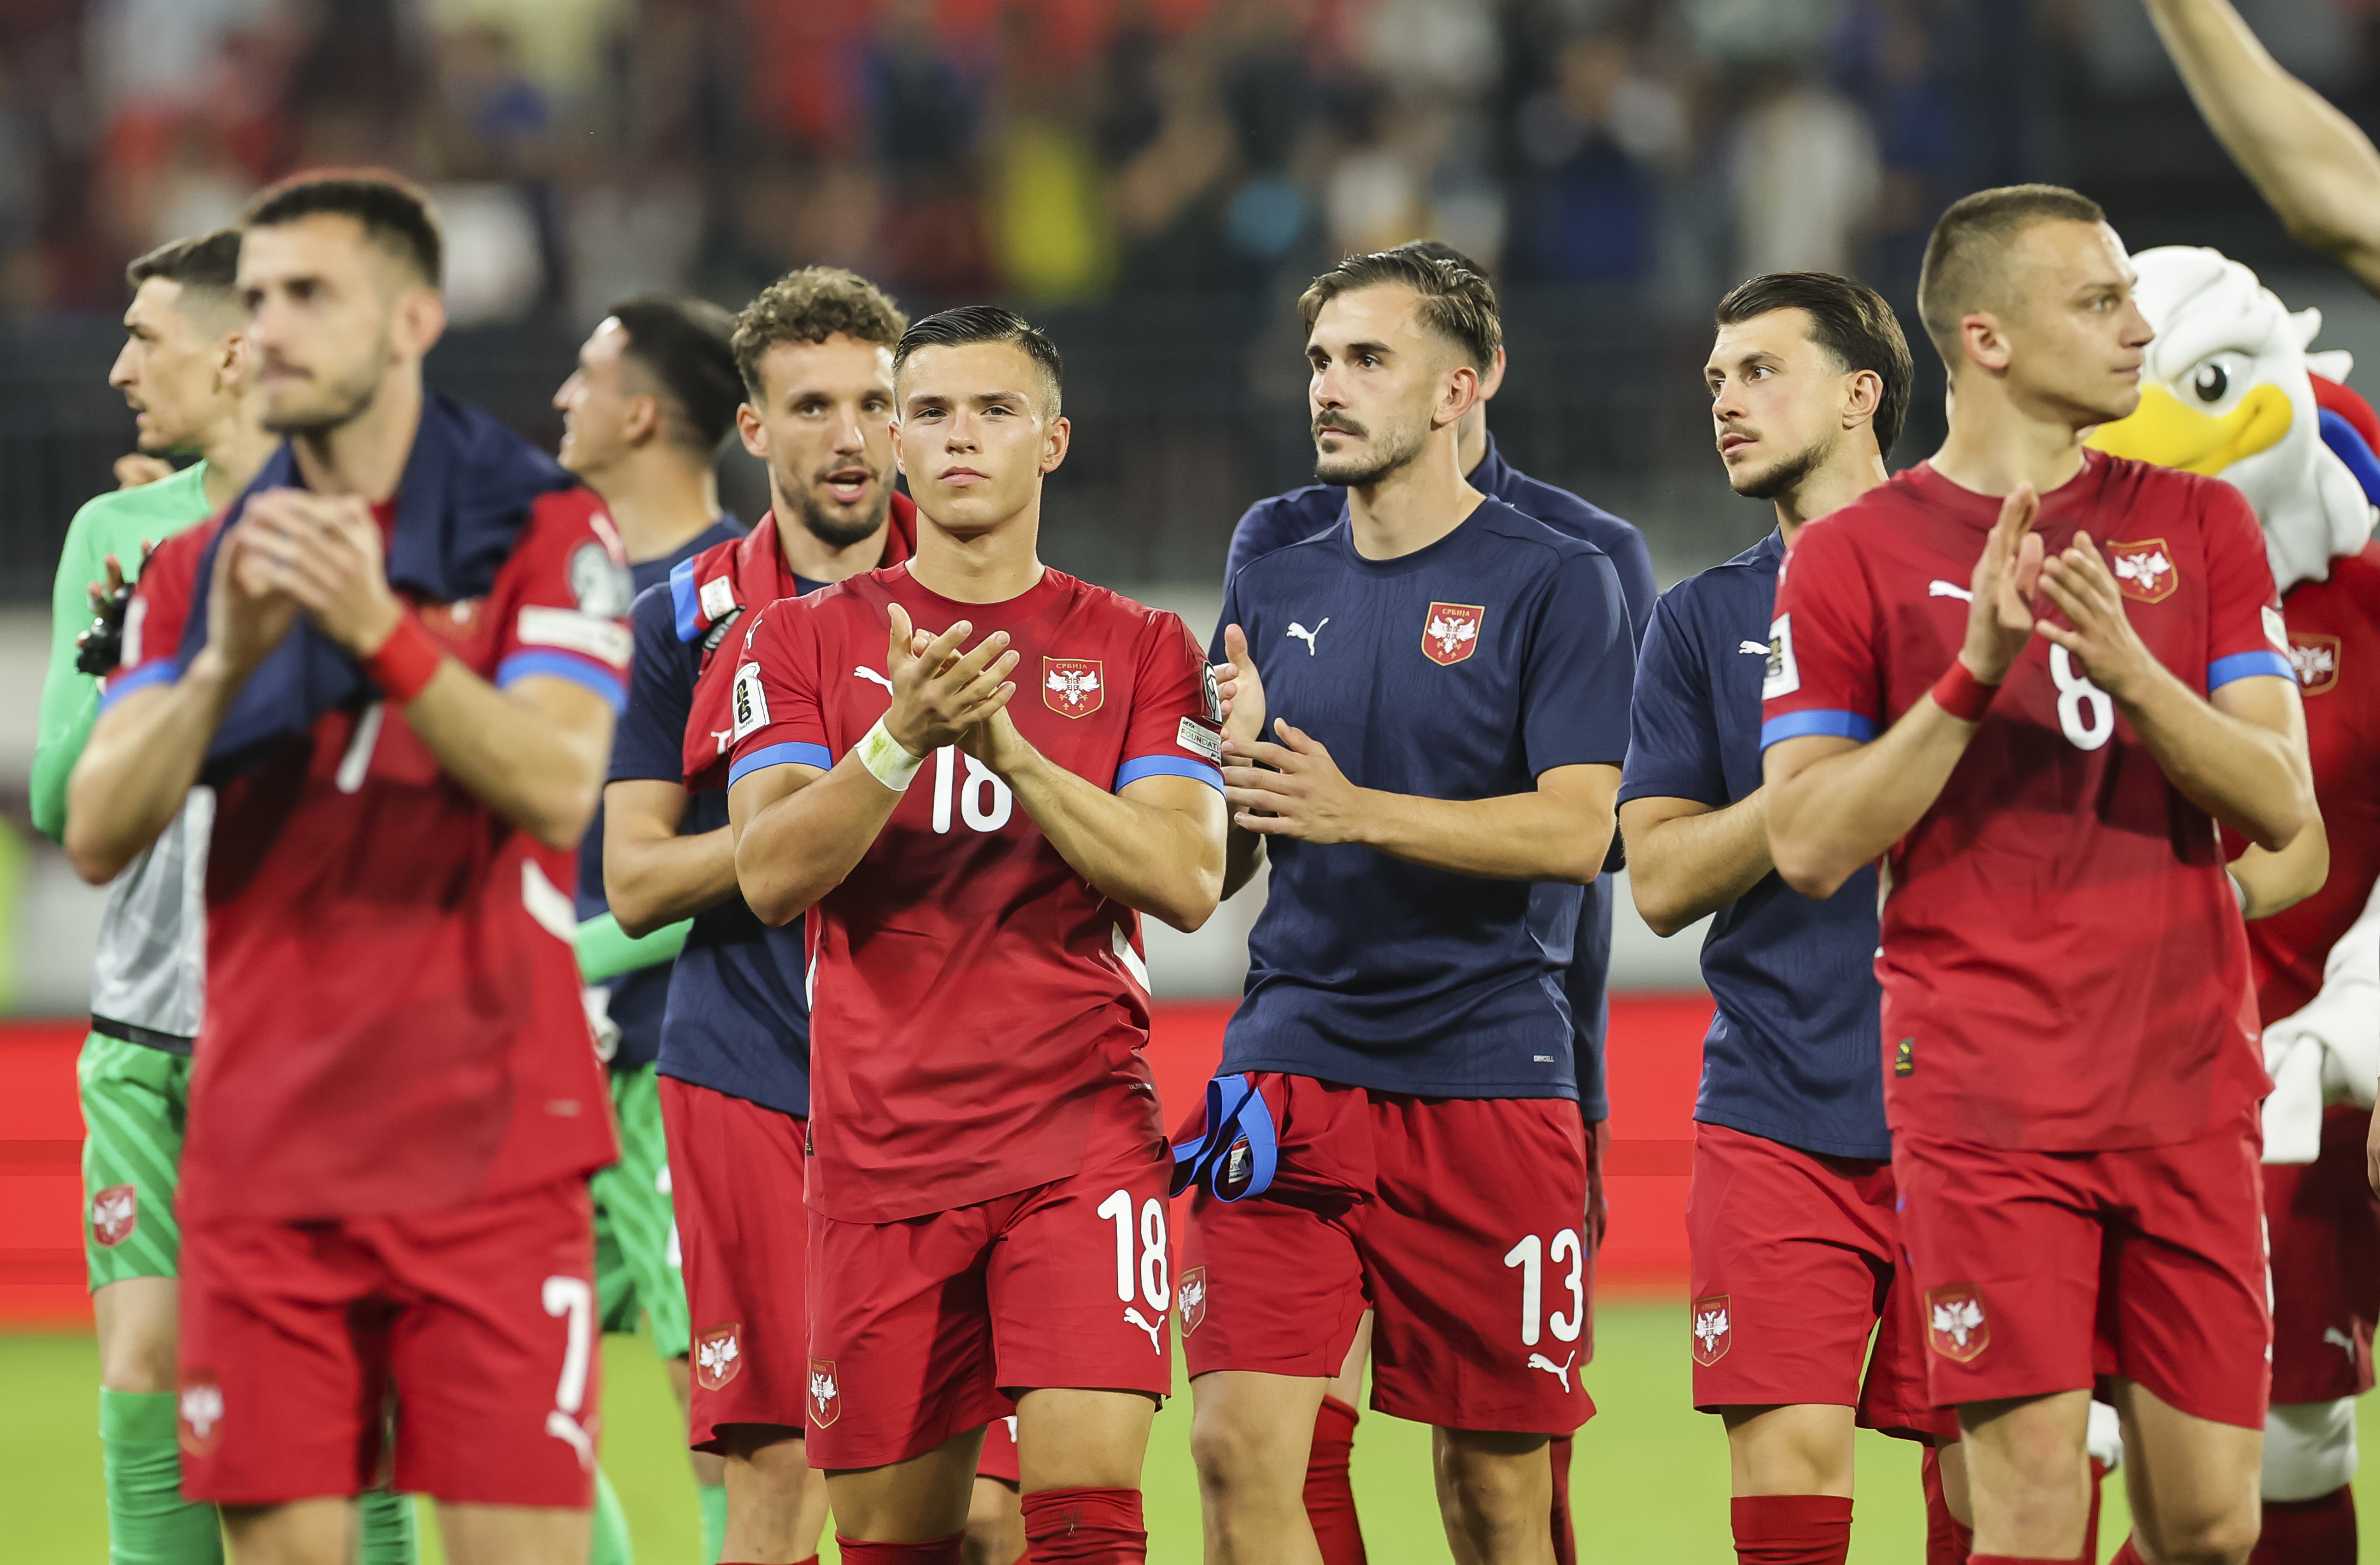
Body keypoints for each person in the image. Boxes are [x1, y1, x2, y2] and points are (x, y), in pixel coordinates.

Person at [63, 170, 630, 1565]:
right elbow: (94, 827)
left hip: (487, 1145)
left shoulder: (542, 529)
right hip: (267, 1158)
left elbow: (556, 781)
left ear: (413, 317)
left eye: (311, 294)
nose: (273, 329)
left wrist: (376, 628)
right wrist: (220, 665)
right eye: (257, 300)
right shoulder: (202, 569)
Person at [1762, 183, 2323, 1565]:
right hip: (1986, 1105)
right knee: (2024, 1512)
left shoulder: (2200, 528)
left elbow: (2278, 804)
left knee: (2210, 1522)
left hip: (2188, 1092)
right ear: (1988, 337)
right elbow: (1807, 841)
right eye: (2098, 302)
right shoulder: (1850, 561)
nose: (2137, 329)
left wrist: (2135, 675)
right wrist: (1972, 676)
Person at [723, 304, 1228, 1565]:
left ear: (1051, 442)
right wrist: (897, 739)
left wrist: (1010, 753)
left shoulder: (1145, 647)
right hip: (879, 1160)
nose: (961, 438)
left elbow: (1183, 876)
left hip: (1079, 1137)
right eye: (932, 411)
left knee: (1085, 1512)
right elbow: (769, 876)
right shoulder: (793, 640)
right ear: (896, 441)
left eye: (995, 411)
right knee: (893, 1541)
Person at [1186, 248, 1636, 1565]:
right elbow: (1222, 869)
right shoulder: (1270, 572)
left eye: (1366, 360)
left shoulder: (1561, 577)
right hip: (1282, 1063)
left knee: (1494, 1502)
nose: (1327, 387)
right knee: (1231, 1449)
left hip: (1488, 1076)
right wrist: (1234, 787)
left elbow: (1576, 830)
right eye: (1321, 359)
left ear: (1464, 385)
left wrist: (1355, 808)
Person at [34, 228, 412, 1565]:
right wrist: (139, 649)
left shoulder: (377, 532)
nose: (124, 365)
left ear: (238, 347)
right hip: (145, 1035)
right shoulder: (118, 533)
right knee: (143, 1379)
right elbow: (60, 801)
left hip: (322, 1050)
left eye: (147, 336)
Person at [2085, 17, 2380, 1555]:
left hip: (2329, 1031)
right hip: (2207, 1059)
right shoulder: (2110, 545)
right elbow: (2338, 201)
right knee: (2250, 1444)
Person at [1621, 271, 1970, 1565]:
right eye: (1713, 379)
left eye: (1759, 370)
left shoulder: (1984, 585)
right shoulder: (1699, 620)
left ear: (1859, 394)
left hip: (1976, 1113)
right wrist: (1815, 787)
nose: (1724, 400)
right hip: (1775, 1113)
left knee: (1995, 1499)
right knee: (1785, 1498)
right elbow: (1654, 882)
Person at [612, 265, 918, 1565]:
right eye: (809, 407)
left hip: (941, 1078)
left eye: (869, 403)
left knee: (964, 1500)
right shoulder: (680, 620)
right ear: (752, 430)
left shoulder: (988, 597)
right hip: (745, 1077)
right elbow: (633, 882)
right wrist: (812, 826)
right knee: (780, 1481)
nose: (846, 437)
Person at [551, 294, 749, 1565]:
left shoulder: (735, 605)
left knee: (716, 1410)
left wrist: (556, 958)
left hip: (676, 1061)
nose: (559, 398)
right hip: (535, 1059)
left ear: (638, 412)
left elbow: (744, 867)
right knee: (494, 1381)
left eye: (583, 375)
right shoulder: (547, 585)